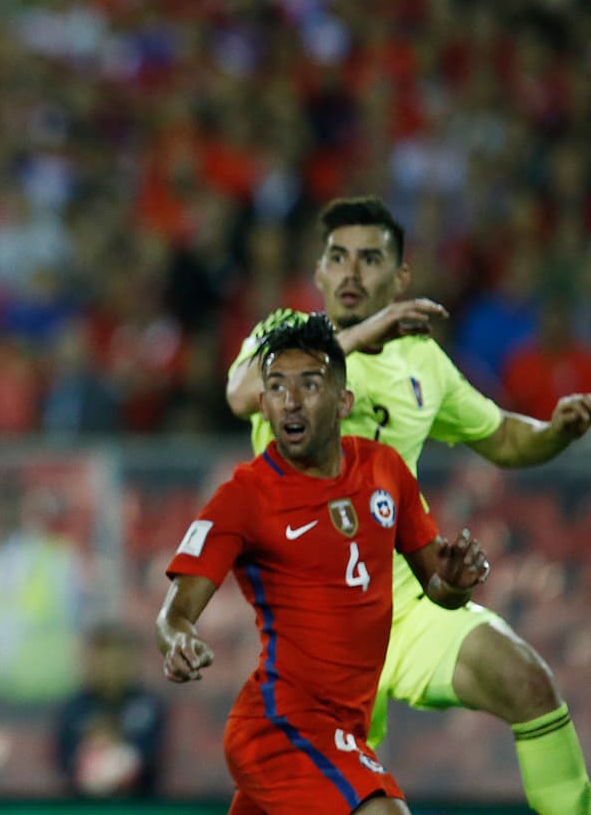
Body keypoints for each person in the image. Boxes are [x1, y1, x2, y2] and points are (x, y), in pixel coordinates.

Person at [225, 196, 591, 814]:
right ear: (318, 272)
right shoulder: (281, 336)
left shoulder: (424, 361)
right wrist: (361, 337)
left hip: (404, 608)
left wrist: (554, 431)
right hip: (312, 630)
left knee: (529, 682)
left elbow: (499, 433)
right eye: (337, 257)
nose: (350, 272)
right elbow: (240, 394)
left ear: (399, 278)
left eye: (370, 259)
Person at [157, 313, 491, 814]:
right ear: (264, 405)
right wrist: (178, 638)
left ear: (343, 401)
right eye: (276, 386)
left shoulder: (384, 470)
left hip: (342, 725)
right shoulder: (243, 497)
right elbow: (174, 613)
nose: (291, 400)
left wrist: (457, 584)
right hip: (280, 726)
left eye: (309, 384)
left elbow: (438, 589)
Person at [54, 620, 166, 799]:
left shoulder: (148, 706)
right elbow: (64, 761)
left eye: (117, 658)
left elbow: (152, 760)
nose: (110, 666)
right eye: (102, 657)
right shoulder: (73, 708)